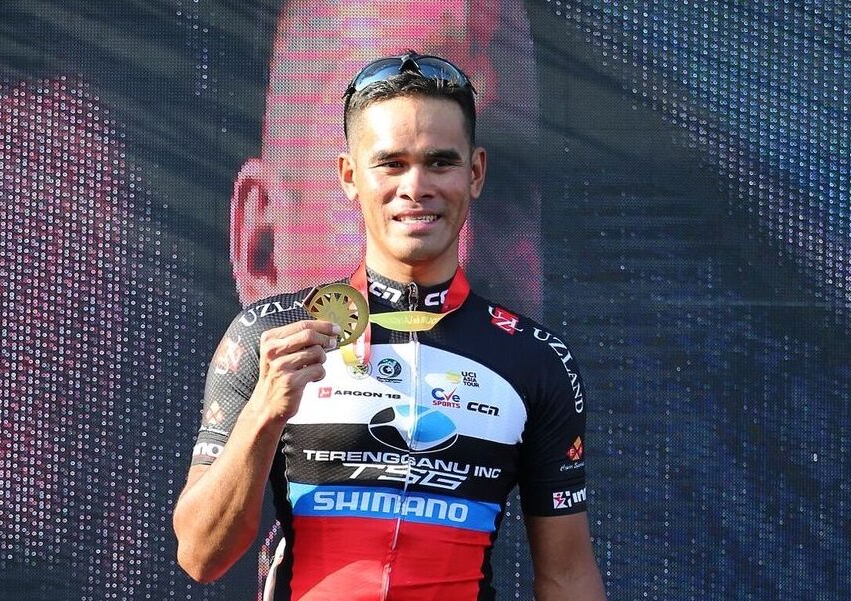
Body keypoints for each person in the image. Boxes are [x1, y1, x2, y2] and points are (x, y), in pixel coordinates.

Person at [173, 51, 606, 600]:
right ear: (350, 176)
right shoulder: (270, 334)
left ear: (475, 173)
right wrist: (265, 412)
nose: (416, 186)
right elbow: (200, 556)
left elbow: (568, 575)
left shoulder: (536, 359)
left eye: (440, 162)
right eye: (392, 163)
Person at [228, 0, 545, 320]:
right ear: (262, 250)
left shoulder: (543, 350)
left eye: (501, 188)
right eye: (391, 167)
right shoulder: (246, 347)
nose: (461, 251)